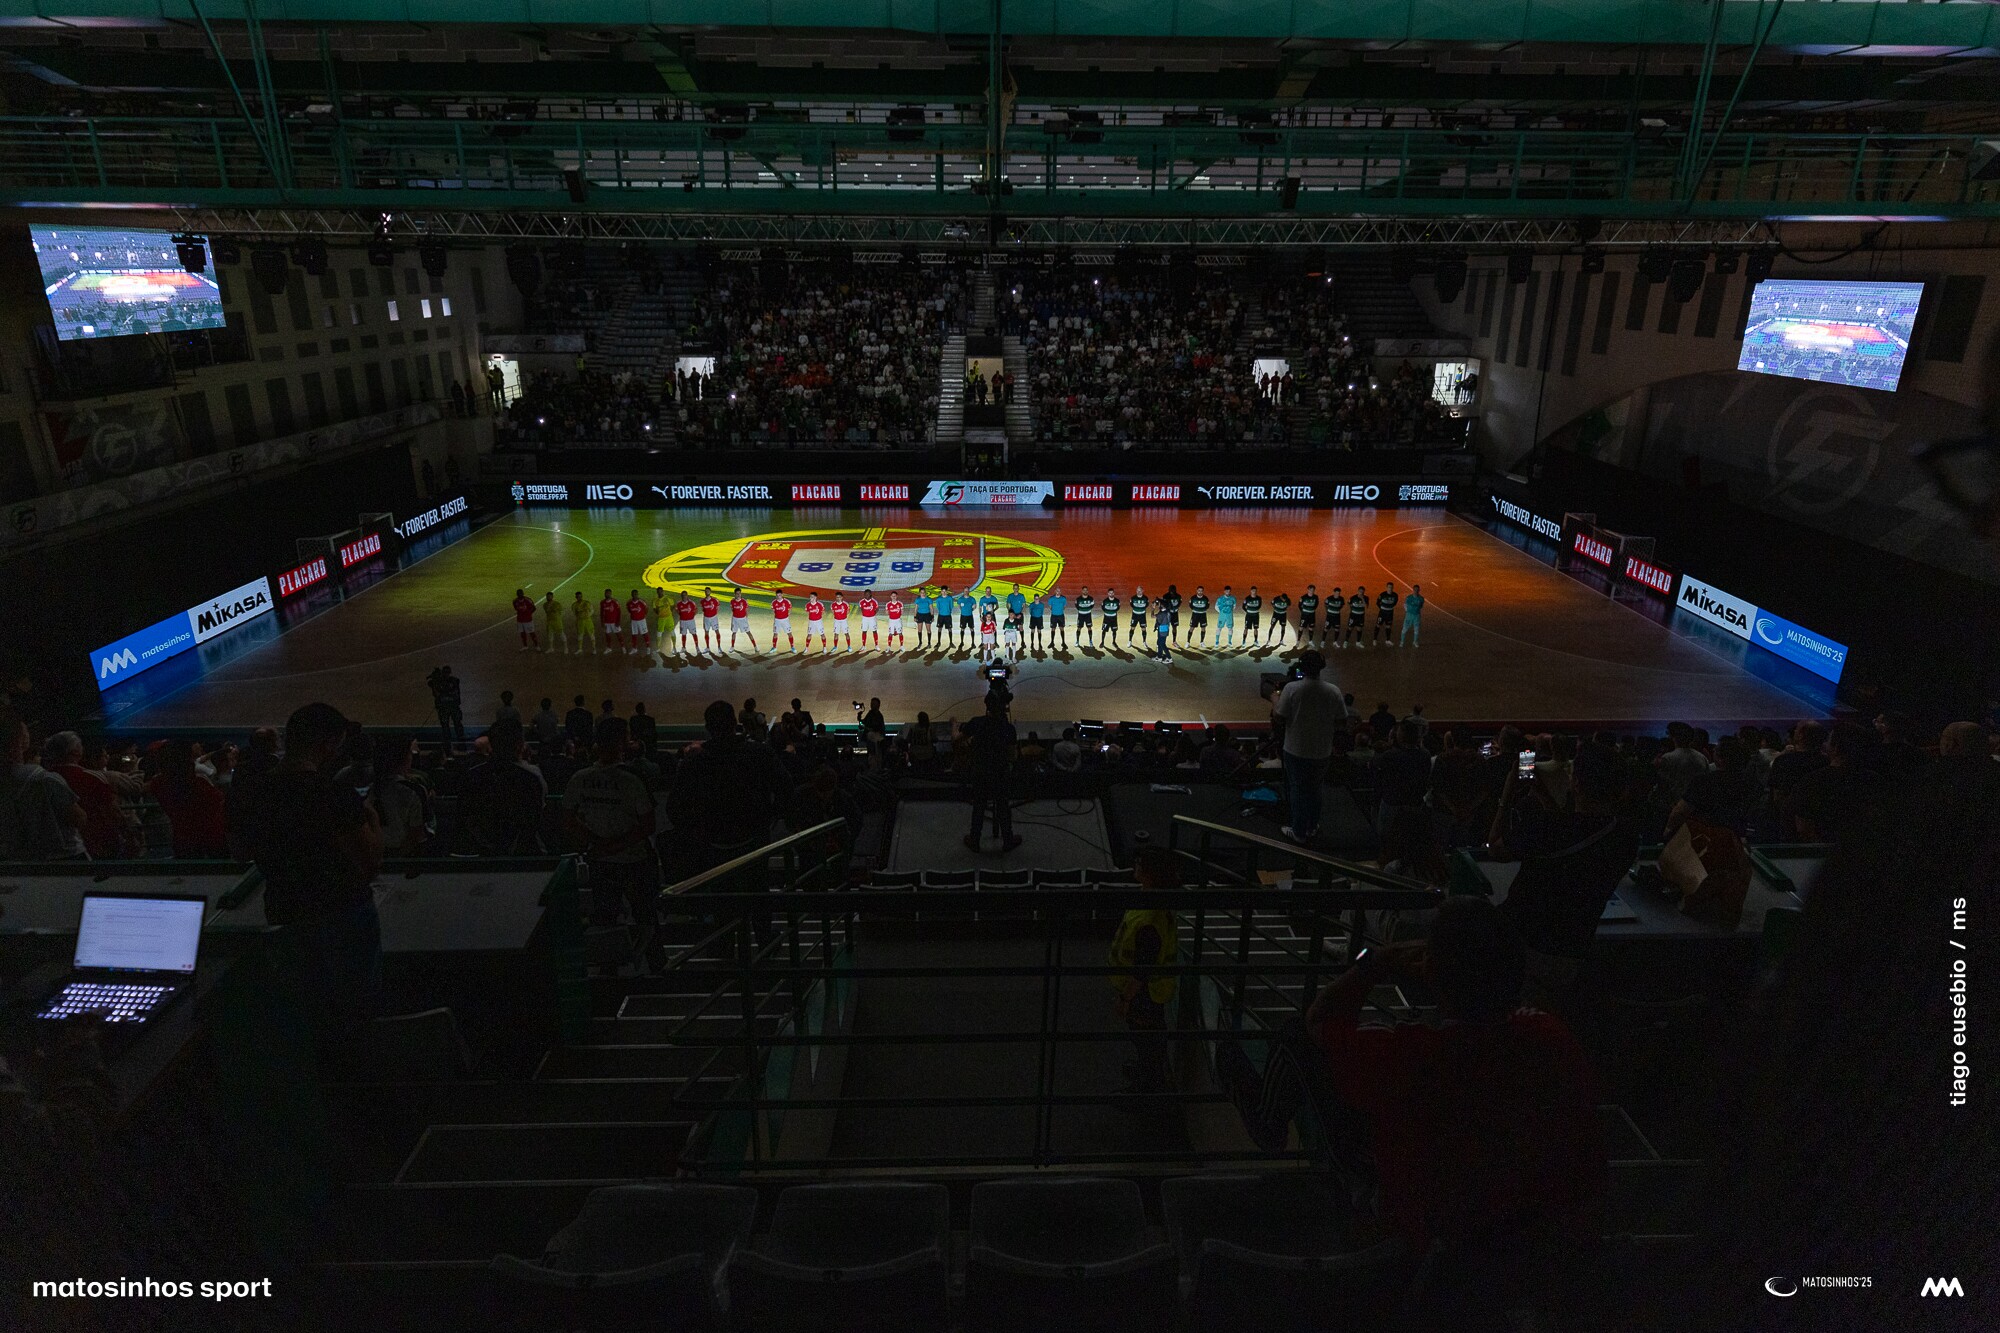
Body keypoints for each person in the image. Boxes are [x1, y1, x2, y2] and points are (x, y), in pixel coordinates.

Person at [1215, 898, 1606, 1323]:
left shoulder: (1410, 1057)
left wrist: (1371, 963)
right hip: (1524, 1252)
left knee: (1296, 1039)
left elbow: (1319, 1021)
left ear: (1432, 973)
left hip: (1417, 1236)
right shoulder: (1552, 1039)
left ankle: (1269, 1124)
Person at [236, 703, 385, 1026]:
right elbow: (369, 863)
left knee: (305, 1008)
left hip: (283, 910)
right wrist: (370, 818)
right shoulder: (331, 793)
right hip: (341, 916)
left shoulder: (253, 791)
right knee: (354, 1012)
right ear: (328, 744)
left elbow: (241, 848)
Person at [1487, 741, 1642, 1006]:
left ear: (1576, 784)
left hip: (1519, 946)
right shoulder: (1626, 836)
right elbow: (1571, 831)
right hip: (1570, 954)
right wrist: (1543, 794)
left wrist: (1508, 792)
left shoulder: (1546, 828)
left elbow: (1495, 848)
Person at [665, 700, 794, 893]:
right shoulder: (760, 753)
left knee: (722, 899)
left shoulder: (693, 762)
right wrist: (771, 816)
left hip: (712, 843)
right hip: (755, 837)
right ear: (735, 723)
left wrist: (698, 830)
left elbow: (674, 808)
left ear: (707, 728)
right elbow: (786, 788)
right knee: (759, 893)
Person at [563, 716, 659, 962]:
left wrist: (596, 842)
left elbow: (568, 819)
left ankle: (608, 971)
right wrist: (616, 845)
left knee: (605, 917)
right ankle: (657, 965)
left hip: (600, 860)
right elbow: (648, 825)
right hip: (634, 860)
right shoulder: (632, 779)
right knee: (645, 914)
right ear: (621, 742)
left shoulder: (579, 779)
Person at [1109, 847, 1182, 1100]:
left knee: (1145, 1038)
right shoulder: (1154, 903)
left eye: (1140, 865)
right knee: (1146, 1038)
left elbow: (1141, 969)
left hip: (1145, 992)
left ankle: (1147, 1089)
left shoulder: (1150, 918)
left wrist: (1125, 998)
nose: (1135, 867)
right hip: (1150, 990)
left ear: (1150, 875)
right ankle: (1147, 1075)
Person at [1272, 650, 1348, 843]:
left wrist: (1275, 700)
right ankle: (1312, 827)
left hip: (1295, 749)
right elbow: (1342, 721)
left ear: (1301, 667)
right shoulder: (1333, 691)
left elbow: (1279, 718)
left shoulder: (1291, 689)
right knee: (1315, 789)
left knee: (1297, 789)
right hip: (1322, 751)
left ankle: (1298, 831)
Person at [2, 711, 87, 860]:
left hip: (18, 859)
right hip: (65, 857)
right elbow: (78, 818)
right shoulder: (45, 778)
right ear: (20, 740)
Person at [458, 718, 547, 855]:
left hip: (482, 852)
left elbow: (467, 817)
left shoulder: (472, 776)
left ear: (492, 745)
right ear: (520, 745)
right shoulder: (530, 777)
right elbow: (534, 819)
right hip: (521, 854)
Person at [41, 731, 122, 860]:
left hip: (53, 846)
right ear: (76, 751)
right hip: (96, 842)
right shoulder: (92, 777)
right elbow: (113, 811)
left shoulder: (42, 779)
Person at [961, 698, 1020, 853]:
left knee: (979, 807)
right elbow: (1012, 757)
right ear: (1004, 708)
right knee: (1003, 807)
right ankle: (1008, 840)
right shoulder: (1008, 729)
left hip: (980, 773)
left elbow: (959, 741)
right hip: (1000, 774)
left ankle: (975, 840)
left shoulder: (976, 723)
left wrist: (956, 728)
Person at [369, 734, 433, 858]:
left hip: (372, 850)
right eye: (410, 753)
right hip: (401, 852)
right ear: (404, 758)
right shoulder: (413, 790)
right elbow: (416, 833)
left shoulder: (370, 786)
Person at [427, 665, 465, 752]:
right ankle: (450, 741)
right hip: (446, 708)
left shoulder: (454, 681)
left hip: (451, 707)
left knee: (456, 724)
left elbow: (439, 693)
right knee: (446, 726)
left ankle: (460, 741)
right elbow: (435, 691)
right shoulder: (441, 682)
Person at [725, 587, 753, 652]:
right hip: (735, 619)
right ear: (734, 594)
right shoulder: (732, 601)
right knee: (734, 633)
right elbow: (733, 611)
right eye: (737, 594)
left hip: (743, 619)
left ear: (741, 594)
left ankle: (755, 646)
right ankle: (732, 647)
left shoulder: (744, 601)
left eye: (739, 593)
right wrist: (732, 622)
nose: (738, 595)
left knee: (748, 632)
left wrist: (745, 618)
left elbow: (747, 610)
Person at [625, 588, 652, 653]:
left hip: (641, 620)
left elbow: (646, 609)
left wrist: (643, 615)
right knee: (634, 634)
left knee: (645, 633)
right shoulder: (629, 602)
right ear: (631, 595)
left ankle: (648, 647)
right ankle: (634, 648)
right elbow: (629, 610)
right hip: (634, 621)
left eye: (636, 594)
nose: (634, 595)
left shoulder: (641, 602)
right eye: (633, 594)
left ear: (637, 594)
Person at [1374, 582, 1400, 647]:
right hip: (1382, 613)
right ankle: (1374, 639)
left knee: (1388, 626)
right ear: (1386, 588)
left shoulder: (1395, 595)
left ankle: (1388, 640)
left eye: (1391, 587)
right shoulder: (1382, 594)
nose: (1390, 589)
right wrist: (1382, 608)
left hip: (1390, 613)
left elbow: (1395, 602)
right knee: (1378, 625)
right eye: (1389, 587)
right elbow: (1377, 602)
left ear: (1393, 588)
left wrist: (1389, 607)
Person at [598, 587, 623, 652]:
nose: (607, 594)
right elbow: (601, 613)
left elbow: (619, 612)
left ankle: (623, 647)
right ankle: (609, 648)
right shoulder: (602, 602)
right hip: (606, 622)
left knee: (619, 635)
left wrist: (618, 621)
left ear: (611, 594)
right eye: (606, 593)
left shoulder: (615, 602)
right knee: (607, 635)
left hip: (614, 622)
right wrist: (602, 622)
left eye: (608, 593)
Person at [699, 588, 722, 653]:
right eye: (706, 591)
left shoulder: (715, 600)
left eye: (708, 591)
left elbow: (718, 608)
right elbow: (703, 609)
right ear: (704, 592)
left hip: (714, 618)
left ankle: (719, 647)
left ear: (710, 592)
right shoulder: (702, 601)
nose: (707, 592)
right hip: (706, 618)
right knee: (706, 632)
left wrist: (714, 614)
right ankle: (707, 647)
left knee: (717, 631)